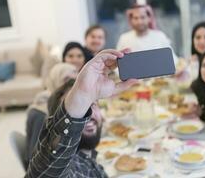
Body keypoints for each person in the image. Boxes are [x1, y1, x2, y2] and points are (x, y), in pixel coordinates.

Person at [25, 49, 137, 177]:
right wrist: (81, 95)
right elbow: (48, 169)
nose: (88, 115)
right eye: (82, 109)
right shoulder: (71, 169)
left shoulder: (89, 160)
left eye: (93, 105)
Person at [25, 63, 77, 168]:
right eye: (66, 80)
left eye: (75, 81)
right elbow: (35, 156)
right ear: (55, 81)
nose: (72, 87)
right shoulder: (41, 113)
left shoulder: (65, 105)